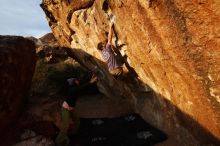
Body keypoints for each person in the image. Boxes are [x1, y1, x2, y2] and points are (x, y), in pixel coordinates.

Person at [55, 73, 98, 146]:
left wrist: (91, 79)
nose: (78, 81)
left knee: (77, 121)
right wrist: (90, 82)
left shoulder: (76, 89)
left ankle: (73, 134)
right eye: (76, 80)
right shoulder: (72, 90)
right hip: (65, 109)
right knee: (65, 126)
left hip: (71, 109)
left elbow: (83, 87)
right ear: (74, 82)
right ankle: (58, 142)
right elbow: (81, 87)